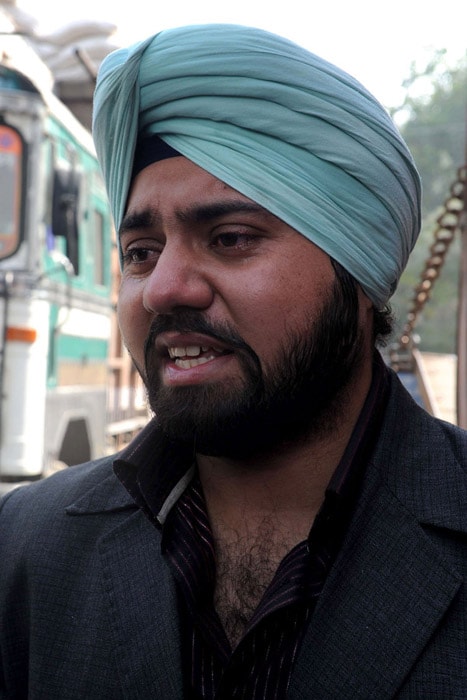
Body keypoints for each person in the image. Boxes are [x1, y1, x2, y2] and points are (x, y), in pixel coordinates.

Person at [1, 24, 466, 700]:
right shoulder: (26, 550)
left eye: (230, 238)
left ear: (357, 275)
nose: (162, 288)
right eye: (140, 251)